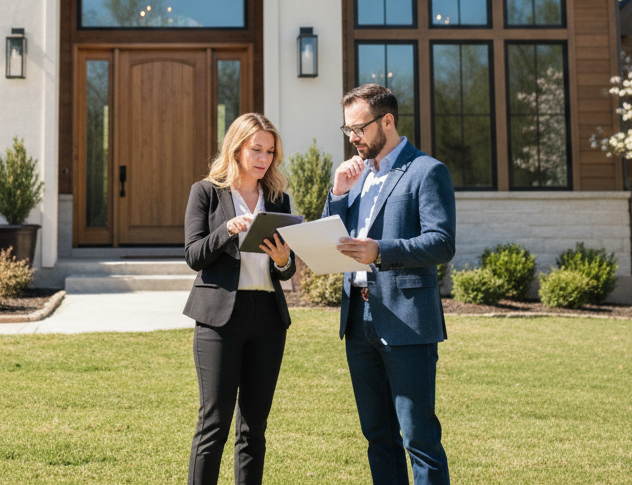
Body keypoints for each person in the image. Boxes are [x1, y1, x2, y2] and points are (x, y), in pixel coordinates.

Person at [325, 83, 456, 485]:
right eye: (347, 130)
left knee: (419, 437)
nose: (353, 138)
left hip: (407, 320)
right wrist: (337, 193)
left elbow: (442, 242)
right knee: (377, 435)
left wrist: (380, 250)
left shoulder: (426, 171)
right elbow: (334, 237)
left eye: (359, 128)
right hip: (357, 318)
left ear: (387, 121)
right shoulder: (357, 175)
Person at [183, 112, 297, 485]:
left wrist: (283, 261)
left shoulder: (278, 199)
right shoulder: (207, 192)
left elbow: (286, 268)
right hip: (219, 319)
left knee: (254, 427)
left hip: (267, 318)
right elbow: (194, 255)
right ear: (236, 148)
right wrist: (227, 231)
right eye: (256, 149)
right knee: (213, 424)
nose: (264, 158)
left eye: (270, 151)